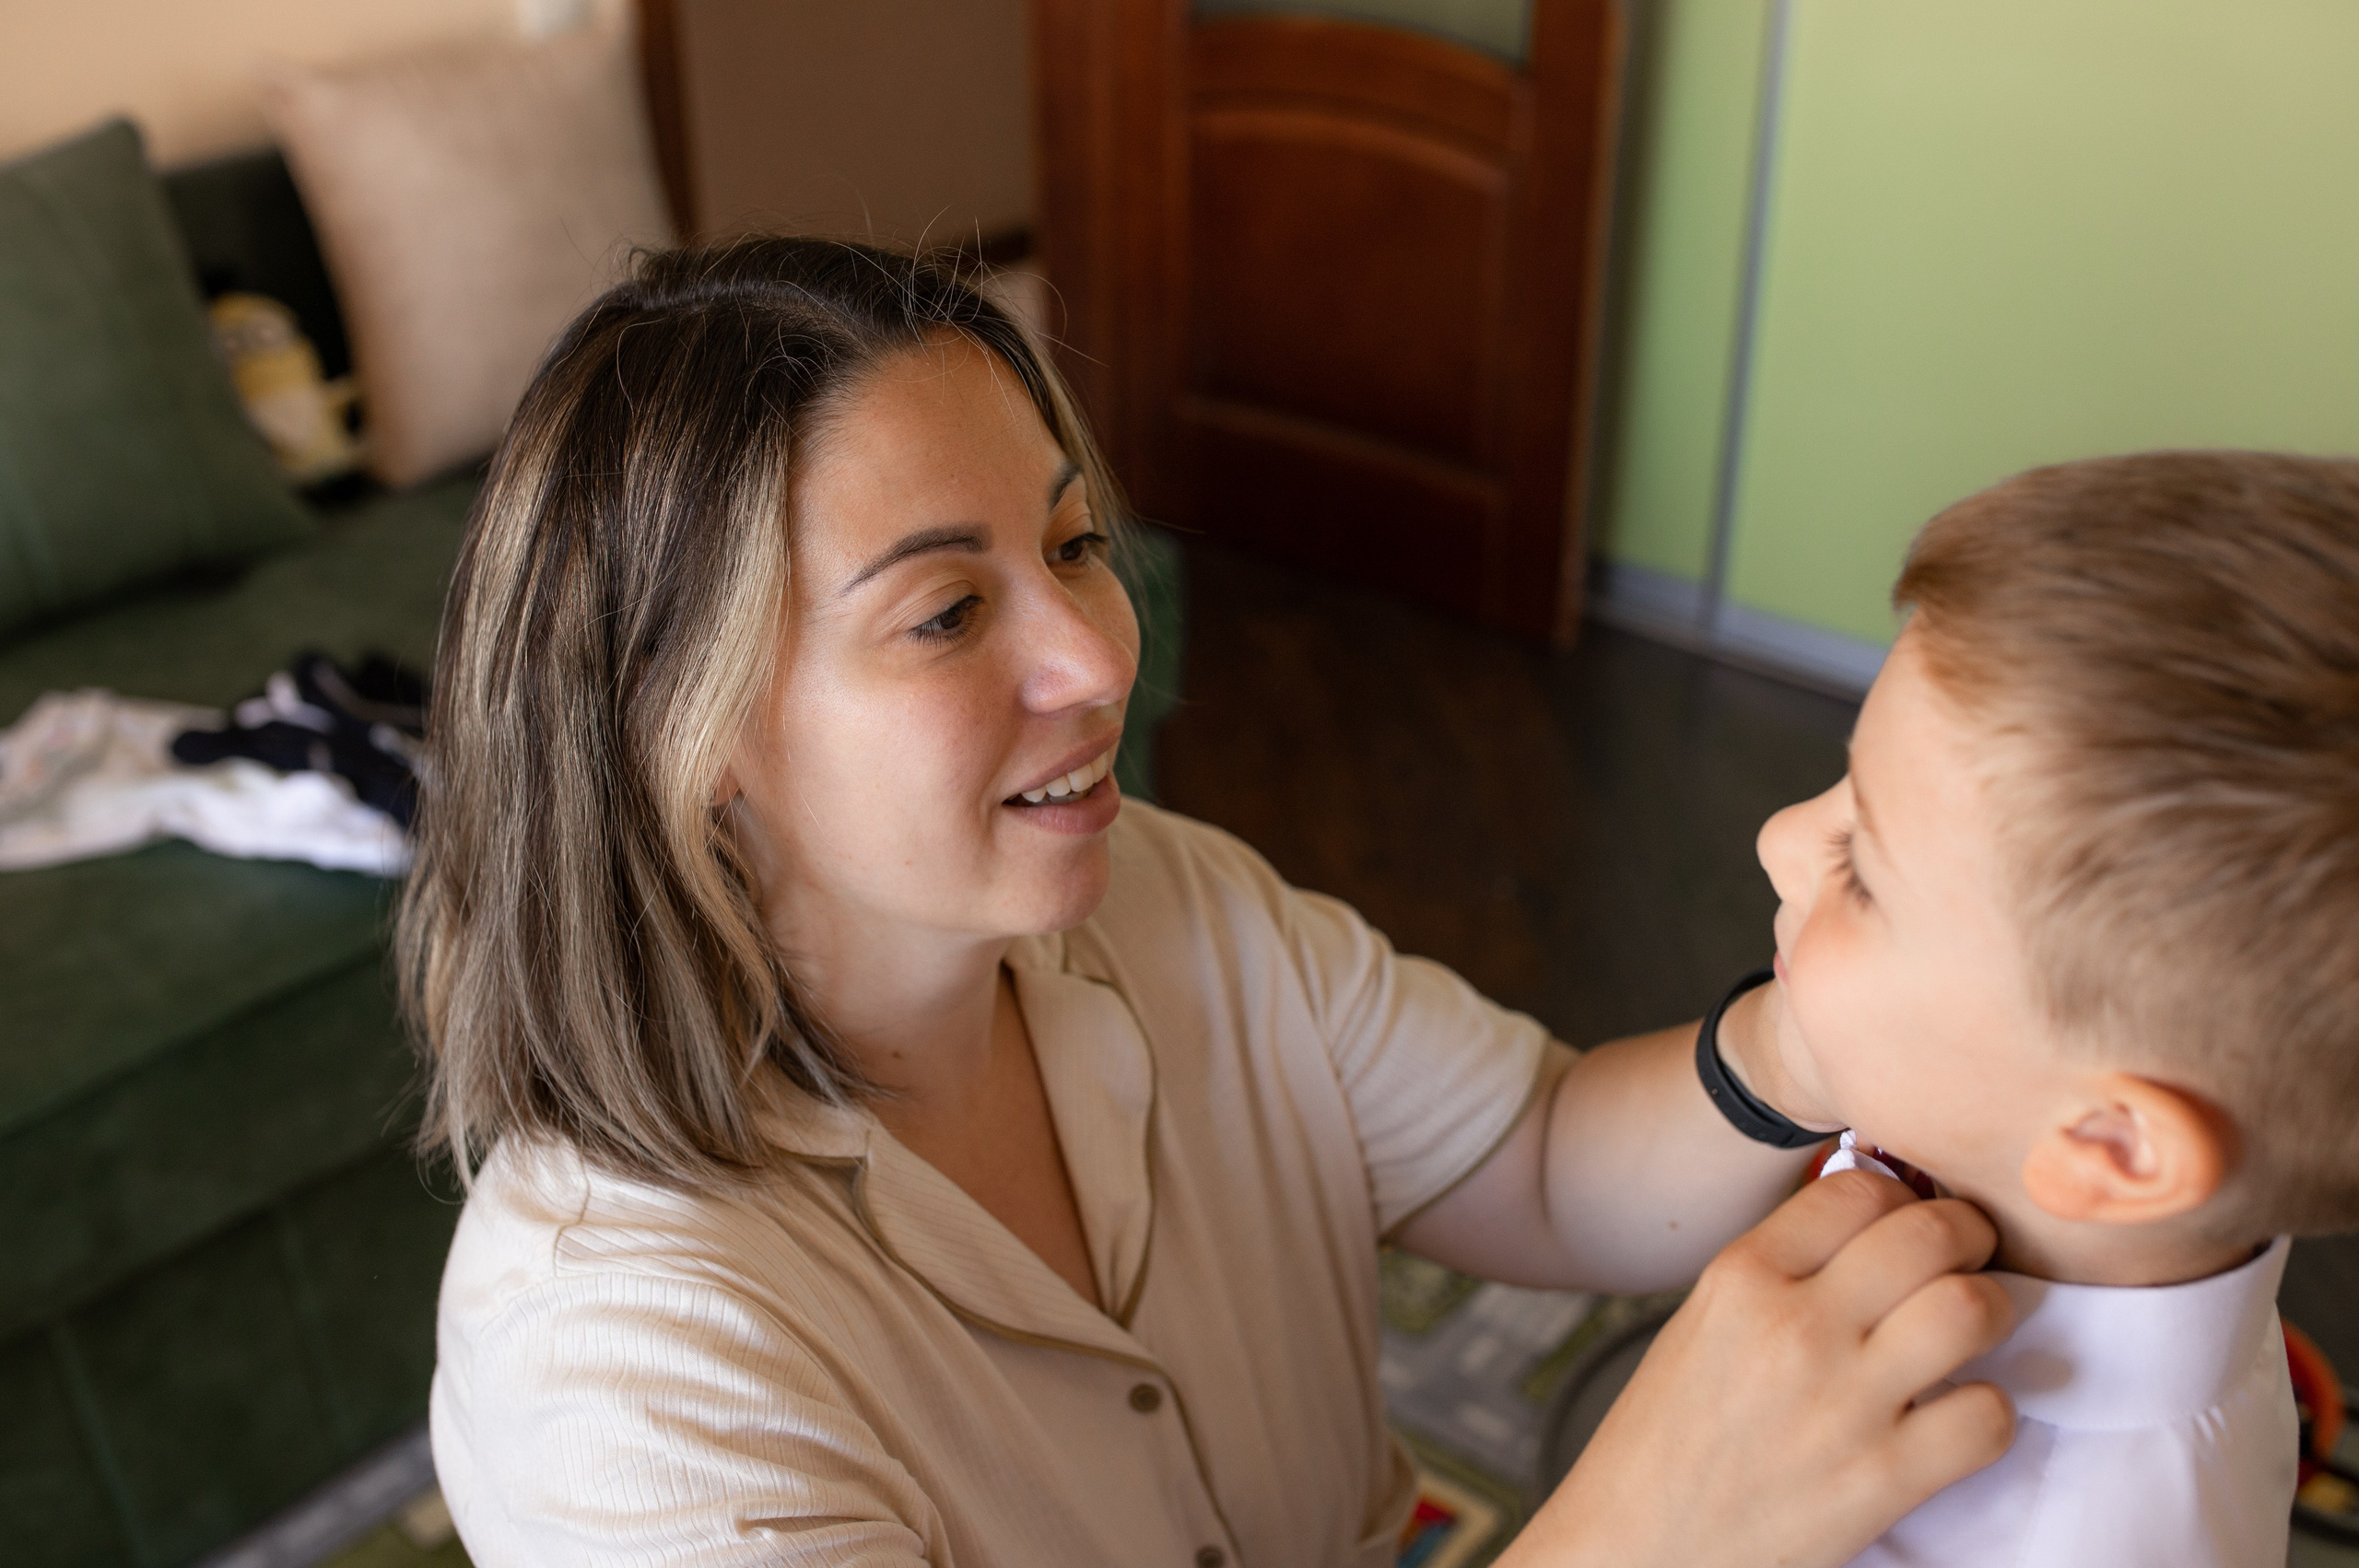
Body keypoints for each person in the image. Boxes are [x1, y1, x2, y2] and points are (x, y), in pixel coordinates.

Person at [401, 236, 2014, 1568]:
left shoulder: (1158, 897)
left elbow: (1536, 1156)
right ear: (685, 738)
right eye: (949, 611)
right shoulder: (617, 1374)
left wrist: (1821, 1025)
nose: (1103, 656)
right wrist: (1652, 1524)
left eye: (1076, 539)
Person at [1743, 452, 2359, 1565]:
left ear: (2110, 1143)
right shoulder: (2023, 1168)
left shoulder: (2098, 1536)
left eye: (1863, 868)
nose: (1780, 838)